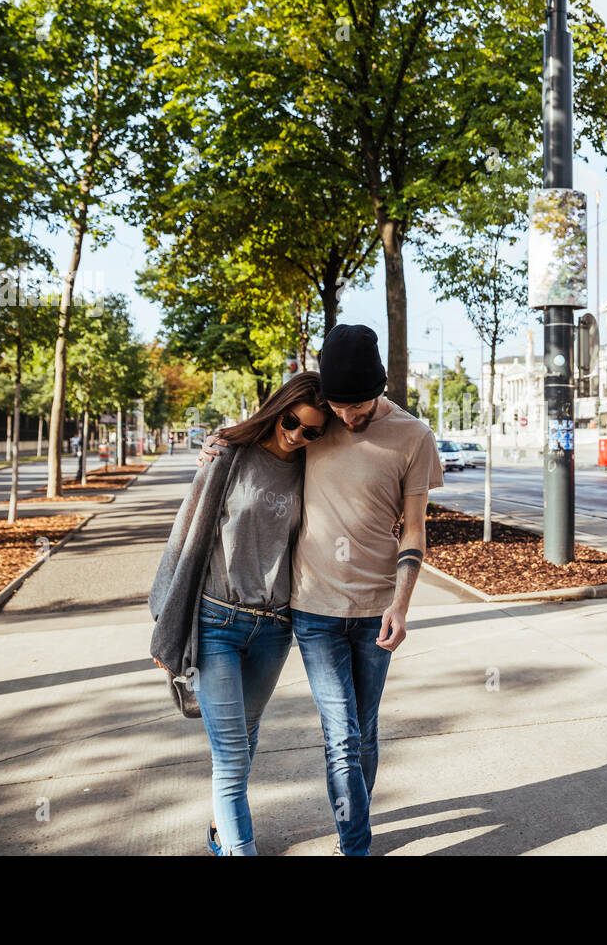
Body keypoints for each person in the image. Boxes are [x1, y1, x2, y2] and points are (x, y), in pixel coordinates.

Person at [199, 324, 443, 856]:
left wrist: (401, 607)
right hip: (312, 610)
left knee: (366, 735)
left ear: (380, 388)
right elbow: (264, 445)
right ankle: (354, 847)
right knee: (342, 738)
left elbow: (417, 529)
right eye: (339, 404)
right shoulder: (314, 425)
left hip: (378, 607)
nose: (348, 417)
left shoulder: (414, 436)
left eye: (359, 404)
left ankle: (349, 830)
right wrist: (219, 442)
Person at [149, 372, 330, 856]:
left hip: (274, 628)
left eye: (310, 430)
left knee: (245, 738)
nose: (295, 435)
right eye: (291, 422)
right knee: (230, 756)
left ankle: (218, 827)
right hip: (215, 623)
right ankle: (238, 848)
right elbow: (186, 533)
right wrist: (168, 623)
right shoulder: (228, 454)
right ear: (278, 408)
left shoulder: (314, 467)